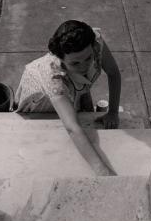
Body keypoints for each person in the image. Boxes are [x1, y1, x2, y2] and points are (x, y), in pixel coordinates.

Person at [15, 20, 121, 176]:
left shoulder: (95, 40)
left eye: (88, 58)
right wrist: (101, 170)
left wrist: (113, 112)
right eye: (75, 63)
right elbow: (72, 127)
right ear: (61, 59)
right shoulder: (51, 75)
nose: (84, 66)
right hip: (41, 101)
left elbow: (113, 73)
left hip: (74, 88)